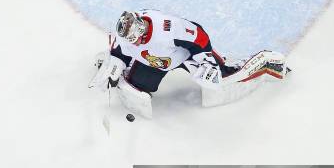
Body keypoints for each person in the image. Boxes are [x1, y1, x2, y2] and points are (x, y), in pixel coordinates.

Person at [90, 9, 288, 116]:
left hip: (188, 56)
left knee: (220, 79)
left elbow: (199, 37)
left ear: (141, 28)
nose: (131, 41)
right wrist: (114, 67)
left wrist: (207, 63)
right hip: (155, 61)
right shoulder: (126, 37)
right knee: (138, 87)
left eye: (134, 37)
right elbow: (120, 51)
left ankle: (265, 63)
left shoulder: (167, 28)